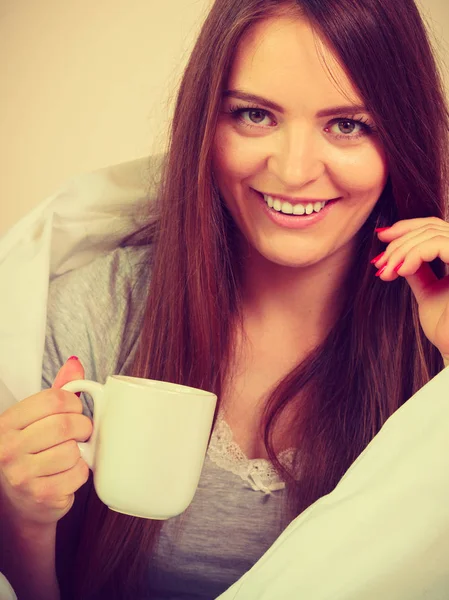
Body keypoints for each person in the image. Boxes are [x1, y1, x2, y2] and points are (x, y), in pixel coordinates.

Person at [1, 0, 449, 598]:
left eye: (347, 125)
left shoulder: (434, 345)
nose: (293, 171)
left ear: (400, 138)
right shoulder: (95, 313)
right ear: (206, 124)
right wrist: (23, 525)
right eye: (255, 115)